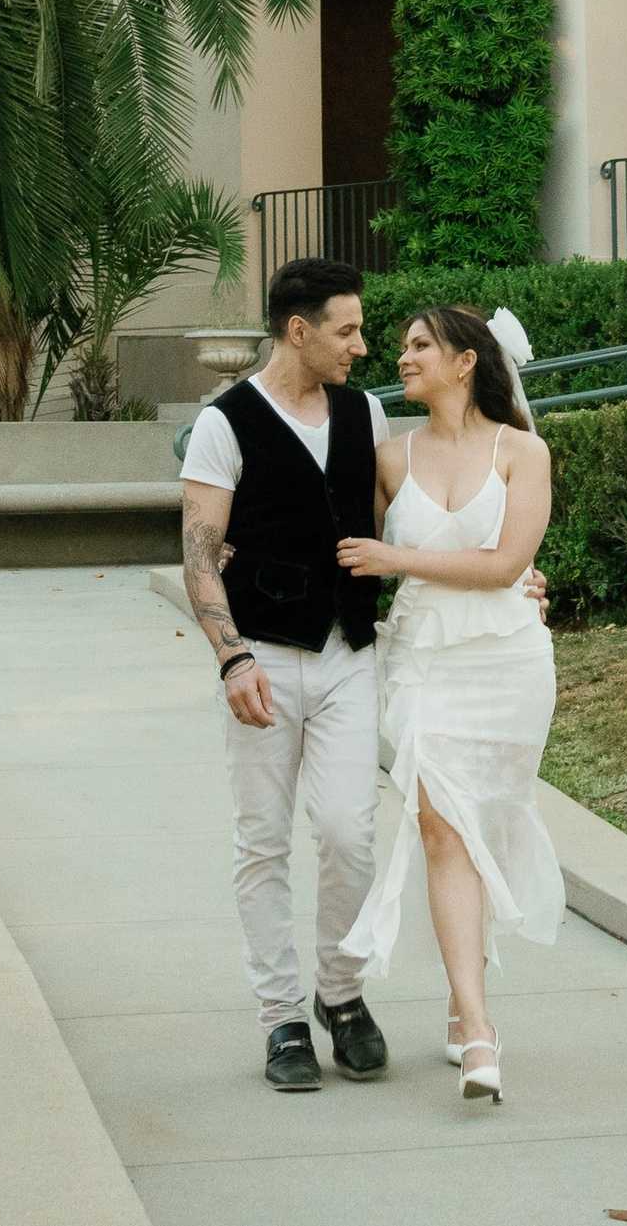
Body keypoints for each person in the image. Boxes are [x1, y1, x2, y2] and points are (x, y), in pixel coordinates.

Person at [332, 303, 563, 1108]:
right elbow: (339, 552)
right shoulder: (388, 457)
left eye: (420, 344)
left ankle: (462, 992)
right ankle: (478, 1023)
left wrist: (396, 556)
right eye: (399, 346)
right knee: (440, 827)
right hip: (424, 659)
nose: (402, 356)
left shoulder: (524, 450)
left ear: (467, 361)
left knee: (485, 826)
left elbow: (506, 565)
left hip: (508, 660)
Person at [179, 256, 392, 1094]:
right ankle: (282, 1018)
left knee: (349, 832)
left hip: (346, 654)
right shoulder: (223, 423)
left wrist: (506, 571)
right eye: (347, 329)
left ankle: (341, 992)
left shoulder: (365, 412)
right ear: (297, 329)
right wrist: (230, 656)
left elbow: (412, 517)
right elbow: (201, 552)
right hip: (261, 656)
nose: (361, 345)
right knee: (262, 839)